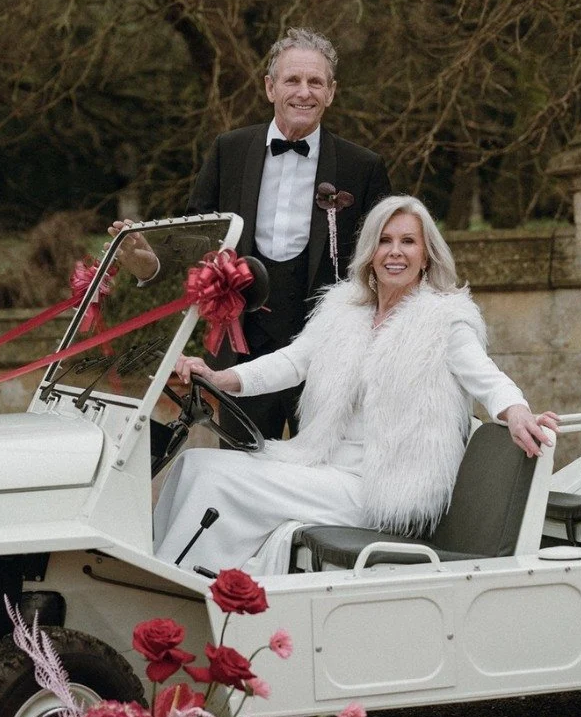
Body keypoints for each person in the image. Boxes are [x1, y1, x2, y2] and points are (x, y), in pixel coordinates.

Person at [154, 195, 559, 573]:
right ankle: (164, 572)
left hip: (376, 489)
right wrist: (222, 377)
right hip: (319, 464)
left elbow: (489, 379)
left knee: (216, 480)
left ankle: (188, 589)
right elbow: (293, 362)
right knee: (194, 463)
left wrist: (518, 410)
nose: (395, 251)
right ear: (370, 253)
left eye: (408, 242)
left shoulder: (444, 321)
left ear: (426, 255)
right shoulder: (342, 309)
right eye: (384, 240)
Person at [112, 28, 391, 440]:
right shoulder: (229, 150)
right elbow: (198, 244)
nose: (304, 92)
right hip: (242, 349)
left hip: (328, 352)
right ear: (270, 87)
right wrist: (149, 265)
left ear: (331, 92)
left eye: (316, 82)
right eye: (292, 80)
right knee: (243, 474)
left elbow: (383, 261)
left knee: (320, 479)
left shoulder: (361, 167)